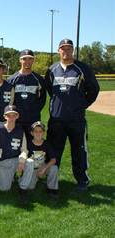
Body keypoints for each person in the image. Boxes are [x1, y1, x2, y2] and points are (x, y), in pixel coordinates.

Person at [45, 38, 100, 192]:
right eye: (63, 48)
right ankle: (51, 179)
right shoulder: (52, 70)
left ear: (73, 50)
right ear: (58, 51)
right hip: (56, 119)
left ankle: (82, 180)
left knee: (79, 150)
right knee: (54, 151)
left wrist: (81, 106)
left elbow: (93, 90)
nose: (65, 51)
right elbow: (50, 91)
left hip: (76, 120)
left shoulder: (83, 69)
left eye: (68, 48)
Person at [0, 105, 34, 202]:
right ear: (4, 116)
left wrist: (22, 160)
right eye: (9, 115)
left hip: (15, 160)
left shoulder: (20, 131)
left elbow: (24, 150)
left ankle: (22, 189)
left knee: (30, 162)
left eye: (13, 115)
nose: (11, 118)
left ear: (17, 116)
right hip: (2, 162)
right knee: (4, 188)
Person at [6, 50, 47, 141]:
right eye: (25, 59)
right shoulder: (12, 79)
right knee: (15, 146)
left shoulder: (38, 79)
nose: (27, 61)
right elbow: (9, 99)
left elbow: (42, 99)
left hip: (32, 119)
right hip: (17, 120)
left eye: (30, 59)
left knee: (32, 146)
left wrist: (33, 110)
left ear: (33, 60)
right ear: (20, 60)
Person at [26, 121, 60, 199]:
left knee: (54, 168)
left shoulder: (47, 144)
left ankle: (52, 189)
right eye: (35, 131)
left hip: (42, 167)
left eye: (40, 131)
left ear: (43, 133)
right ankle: (32, 179)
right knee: (30, 187)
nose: (38, 133)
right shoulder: (29, 144)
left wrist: (44, 169)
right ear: (32, 133)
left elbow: (53, 160)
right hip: (32, 169)